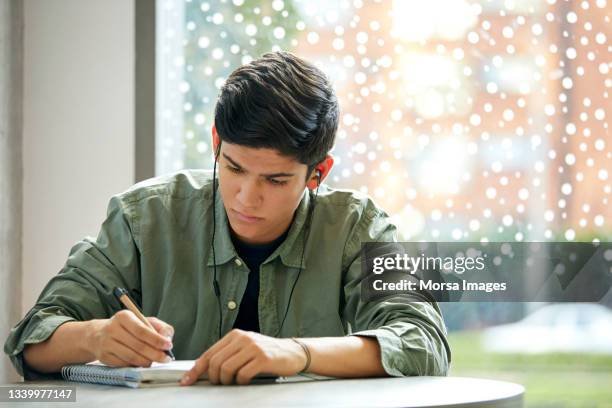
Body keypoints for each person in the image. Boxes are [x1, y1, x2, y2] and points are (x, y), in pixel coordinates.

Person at [4, 51, 450, 385]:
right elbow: (31, 339)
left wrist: (296, 353)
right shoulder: (146, 216)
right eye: (233, 168)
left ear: (318, 173)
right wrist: (95, 337)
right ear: (217, 142)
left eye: (275, 181)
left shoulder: (359, 226)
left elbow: (425, 342)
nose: (247, 197)